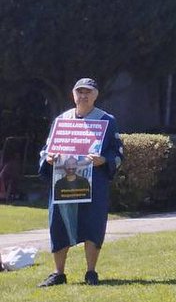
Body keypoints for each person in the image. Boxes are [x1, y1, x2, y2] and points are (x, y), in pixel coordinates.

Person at [37, 78, 124, 287]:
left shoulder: (106, 120)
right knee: (58, 224)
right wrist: (48, 158)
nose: (83, 96)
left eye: (88, 92)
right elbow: (47, 149)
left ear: (96, 95)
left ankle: (91, 272)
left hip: (94, 184)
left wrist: (105, 160)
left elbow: (118, 152)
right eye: (79, 91)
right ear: (73, 94)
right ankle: (58, 273)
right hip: (63, 185)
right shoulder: (61, 120)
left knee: (92, 224)